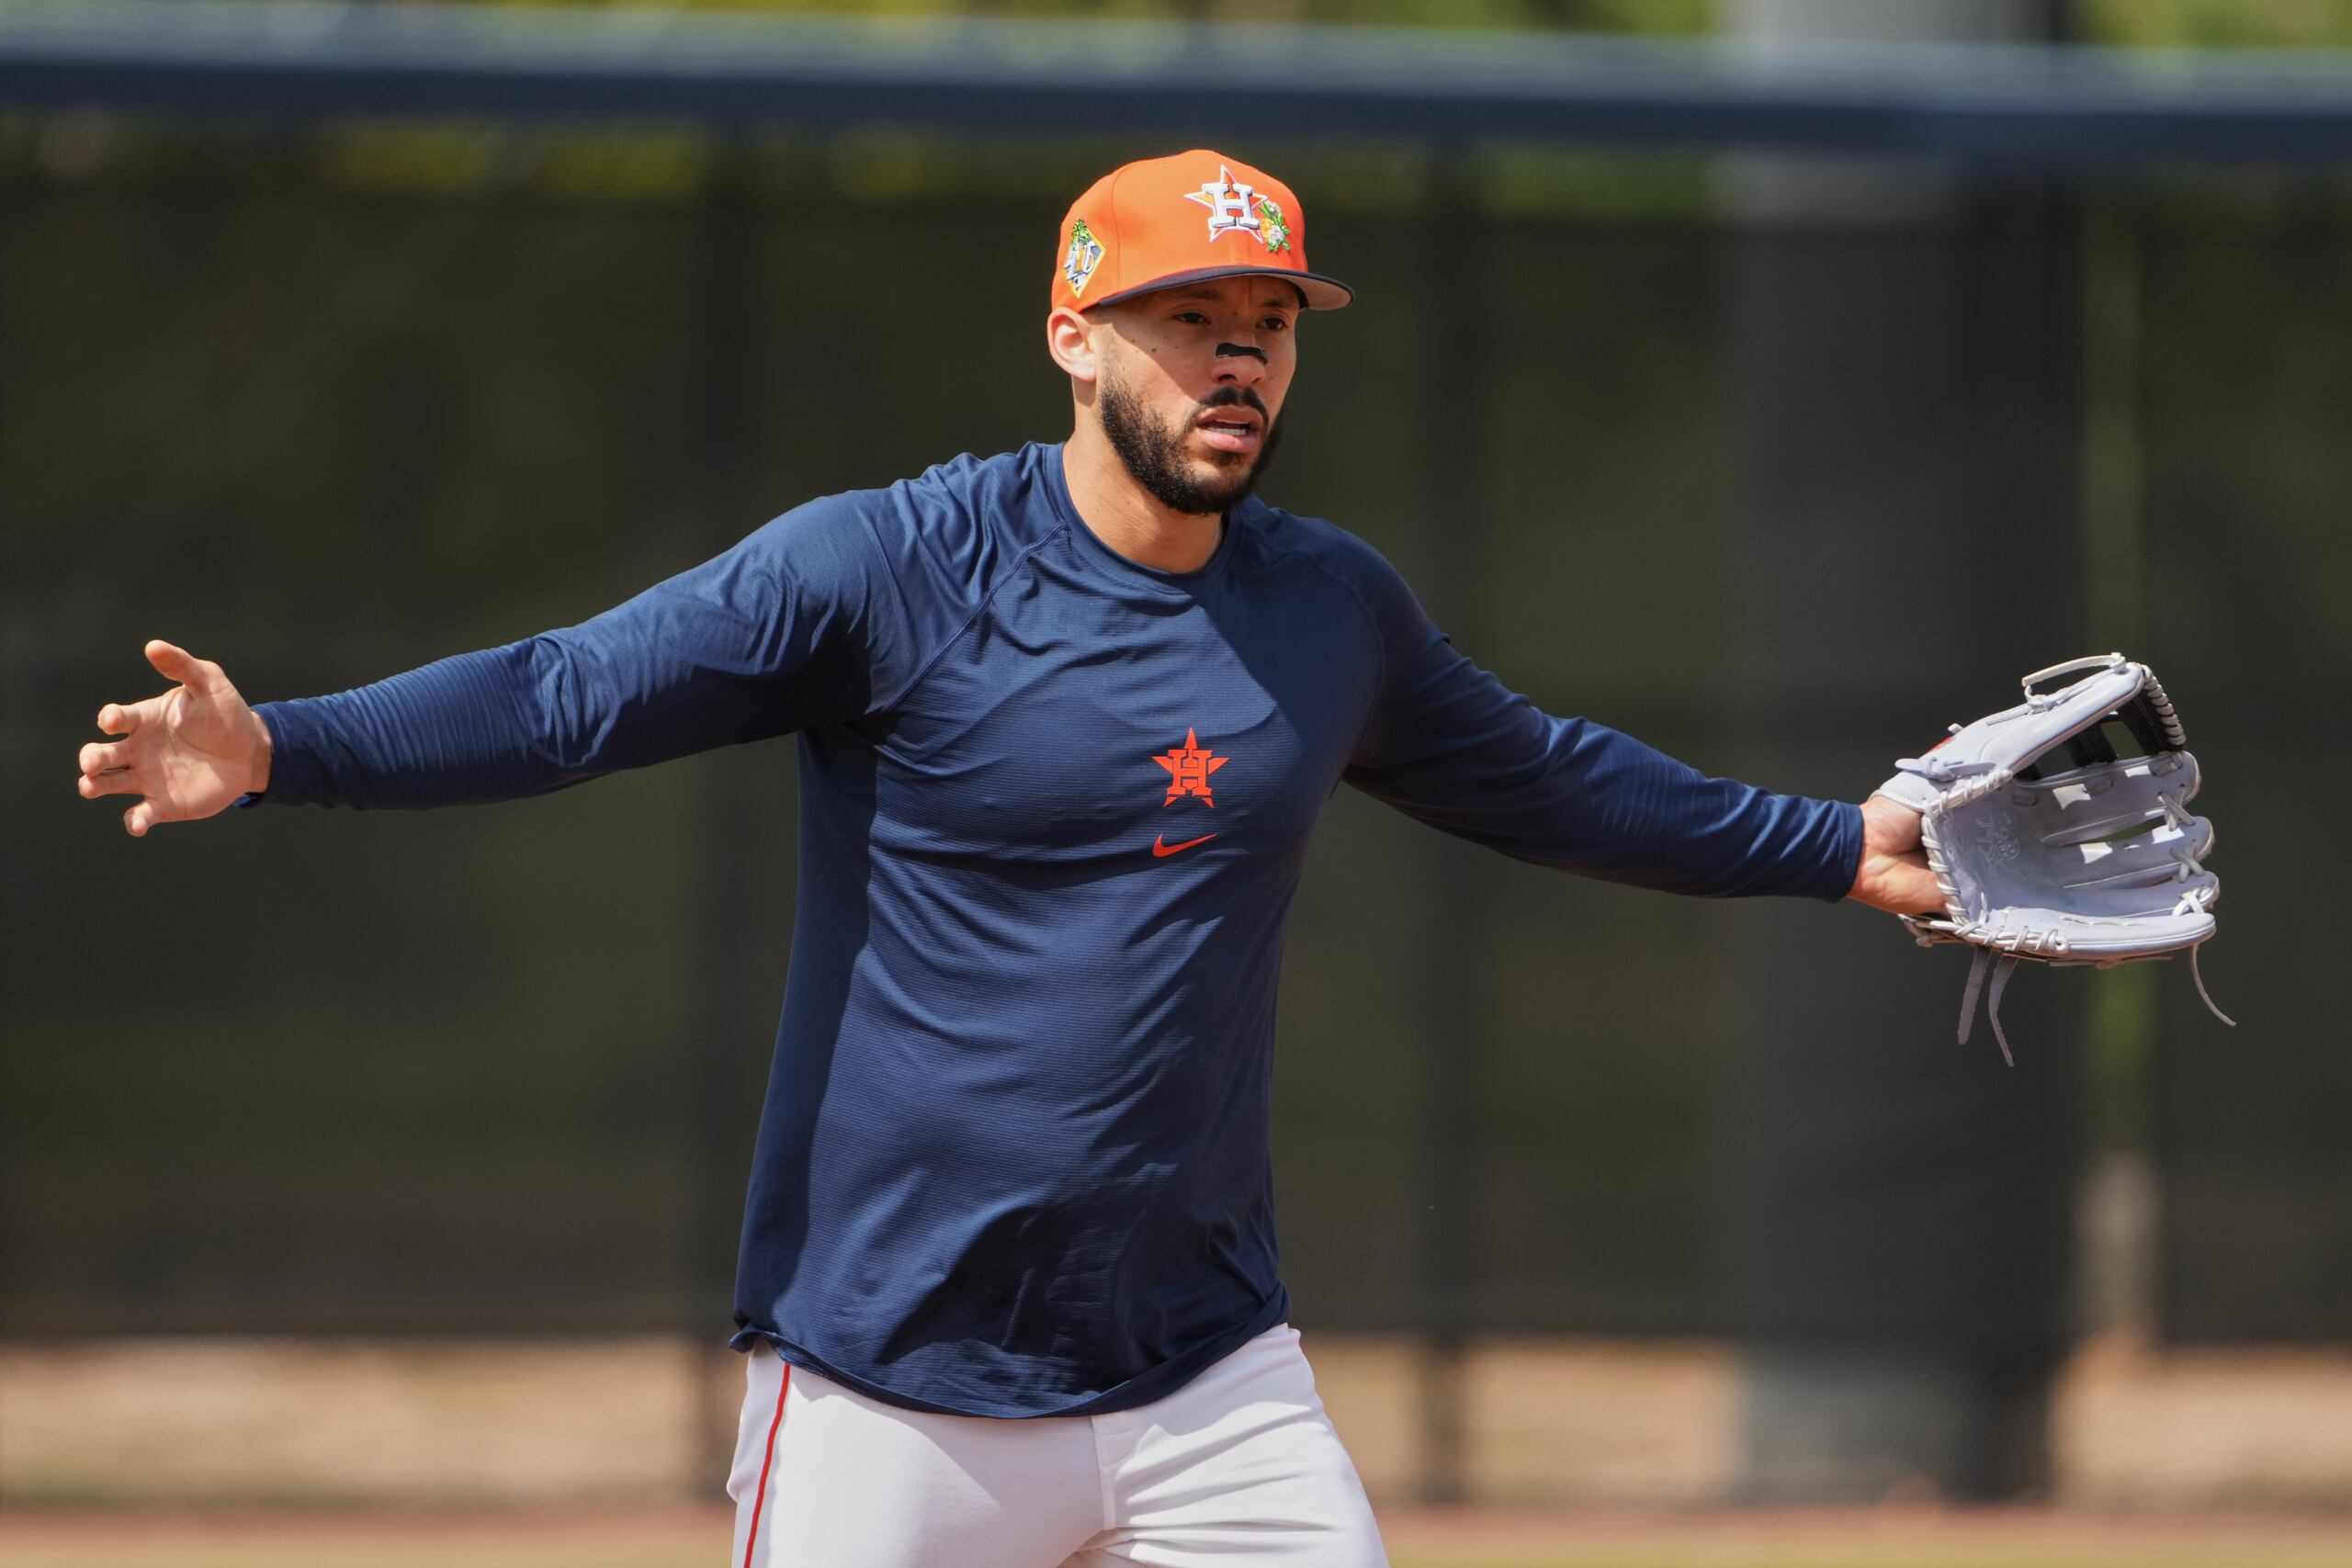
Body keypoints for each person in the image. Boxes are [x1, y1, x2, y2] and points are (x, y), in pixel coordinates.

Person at [76, 150, 1938, 1566]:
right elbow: (570, 693)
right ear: (1070, 333)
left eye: (1270, 317)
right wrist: (282, 747)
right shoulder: (886, 569)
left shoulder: (1327, 612)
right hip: (891, 1383)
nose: (1238, 352)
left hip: (1205, 1370)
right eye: (1190, 312)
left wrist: (1835, 846)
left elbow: (1543, 775)